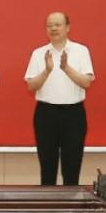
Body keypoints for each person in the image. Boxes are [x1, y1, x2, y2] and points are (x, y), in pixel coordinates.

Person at [24, 12, 94, 185]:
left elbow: (86, 82)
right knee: (47, 168)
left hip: (73, 114)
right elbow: (31, 86)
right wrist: (47, 70)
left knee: (72, 168)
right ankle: (48, 202)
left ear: (68, 27)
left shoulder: (81, 51)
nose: (53, 29)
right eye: (49, 25)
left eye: (57, 25)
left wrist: (66, 68)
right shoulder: (38, 53)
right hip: (46, 114)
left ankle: (71, 201)